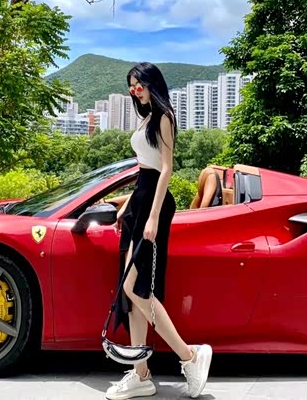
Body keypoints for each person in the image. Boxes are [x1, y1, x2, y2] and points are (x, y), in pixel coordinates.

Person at [105, 62, 212, 400]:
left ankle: (189, 355)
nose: (135, 90)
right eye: (131, 86)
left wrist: (152, 217)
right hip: (139, 202)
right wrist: (127, 206)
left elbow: (165, 169)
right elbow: (144, 170)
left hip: (155, 204)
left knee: (135, 287)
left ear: (152, 83)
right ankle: (141, 374)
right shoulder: (146, 118)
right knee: (132, 293)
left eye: (139, 84)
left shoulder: (164, 116)